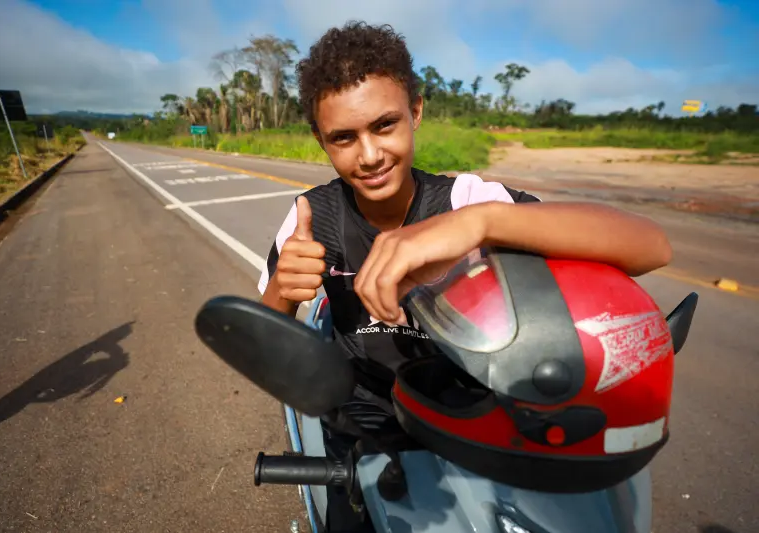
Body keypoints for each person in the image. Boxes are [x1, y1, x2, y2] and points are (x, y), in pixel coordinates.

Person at [257, 21, 672, 531]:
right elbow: (264, 333)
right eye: (344, 137)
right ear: (320, 140)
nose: (369, 155)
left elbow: (652, 246)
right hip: (365, 421)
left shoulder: (469, 201)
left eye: (385, 125)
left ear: (416, 112)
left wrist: (480, 224)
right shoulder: (309, 218)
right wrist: (282, 291)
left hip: (475, 417)